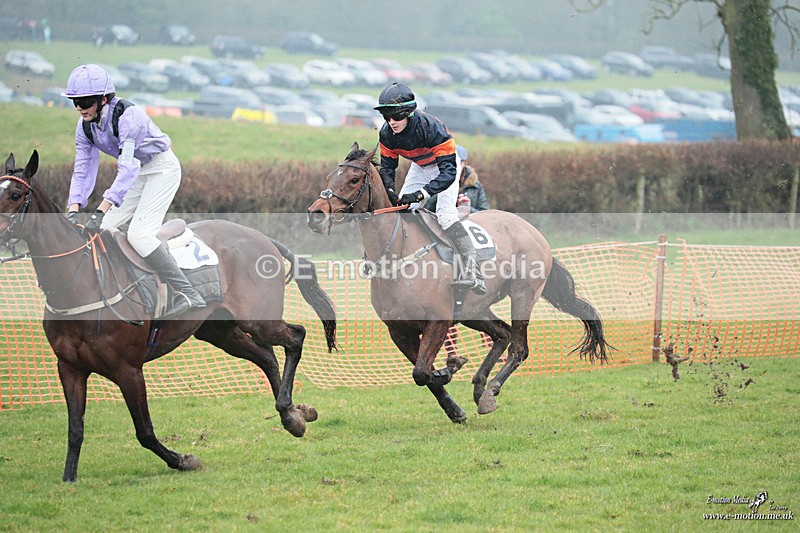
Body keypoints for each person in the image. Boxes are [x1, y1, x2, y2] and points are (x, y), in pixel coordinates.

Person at [61, 64, 206, 319]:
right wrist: (73, 209)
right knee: (102, 231)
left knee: (139, 235)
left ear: (103, 99)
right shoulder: (84, 126)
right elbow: (82, 169)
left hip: (161, 169)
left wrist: (101, 208)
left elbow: (126, 168)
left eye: (84, 101)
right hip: (138, 172)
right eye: (75, 102)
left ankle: (188, 292)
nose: (79, 108)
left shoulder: (130, 117)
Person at [374, 83, 485, 295]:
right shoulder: (387, 134)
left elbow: (448, 174)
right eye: (387, 117)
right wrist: (390, 192)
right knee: (403, 211)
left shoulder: (432, 128)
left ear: (408, 113)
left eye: (396, 117)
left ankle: (473, 272)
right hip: (420, 166)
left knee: (446, 216)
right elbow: (387, 169)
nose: (391, 122)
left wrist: (421, 193)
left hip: (446, 165)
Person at [425, 145, 490, 213]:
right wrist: (444, 193)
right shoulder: (436, 180)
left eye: (456, 162)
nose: (452, 166)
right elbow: (426, 208)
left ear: (464, 163)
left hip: (467, 222)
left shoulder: (476, 185)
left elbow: (484, 213)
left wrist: (466, 208)